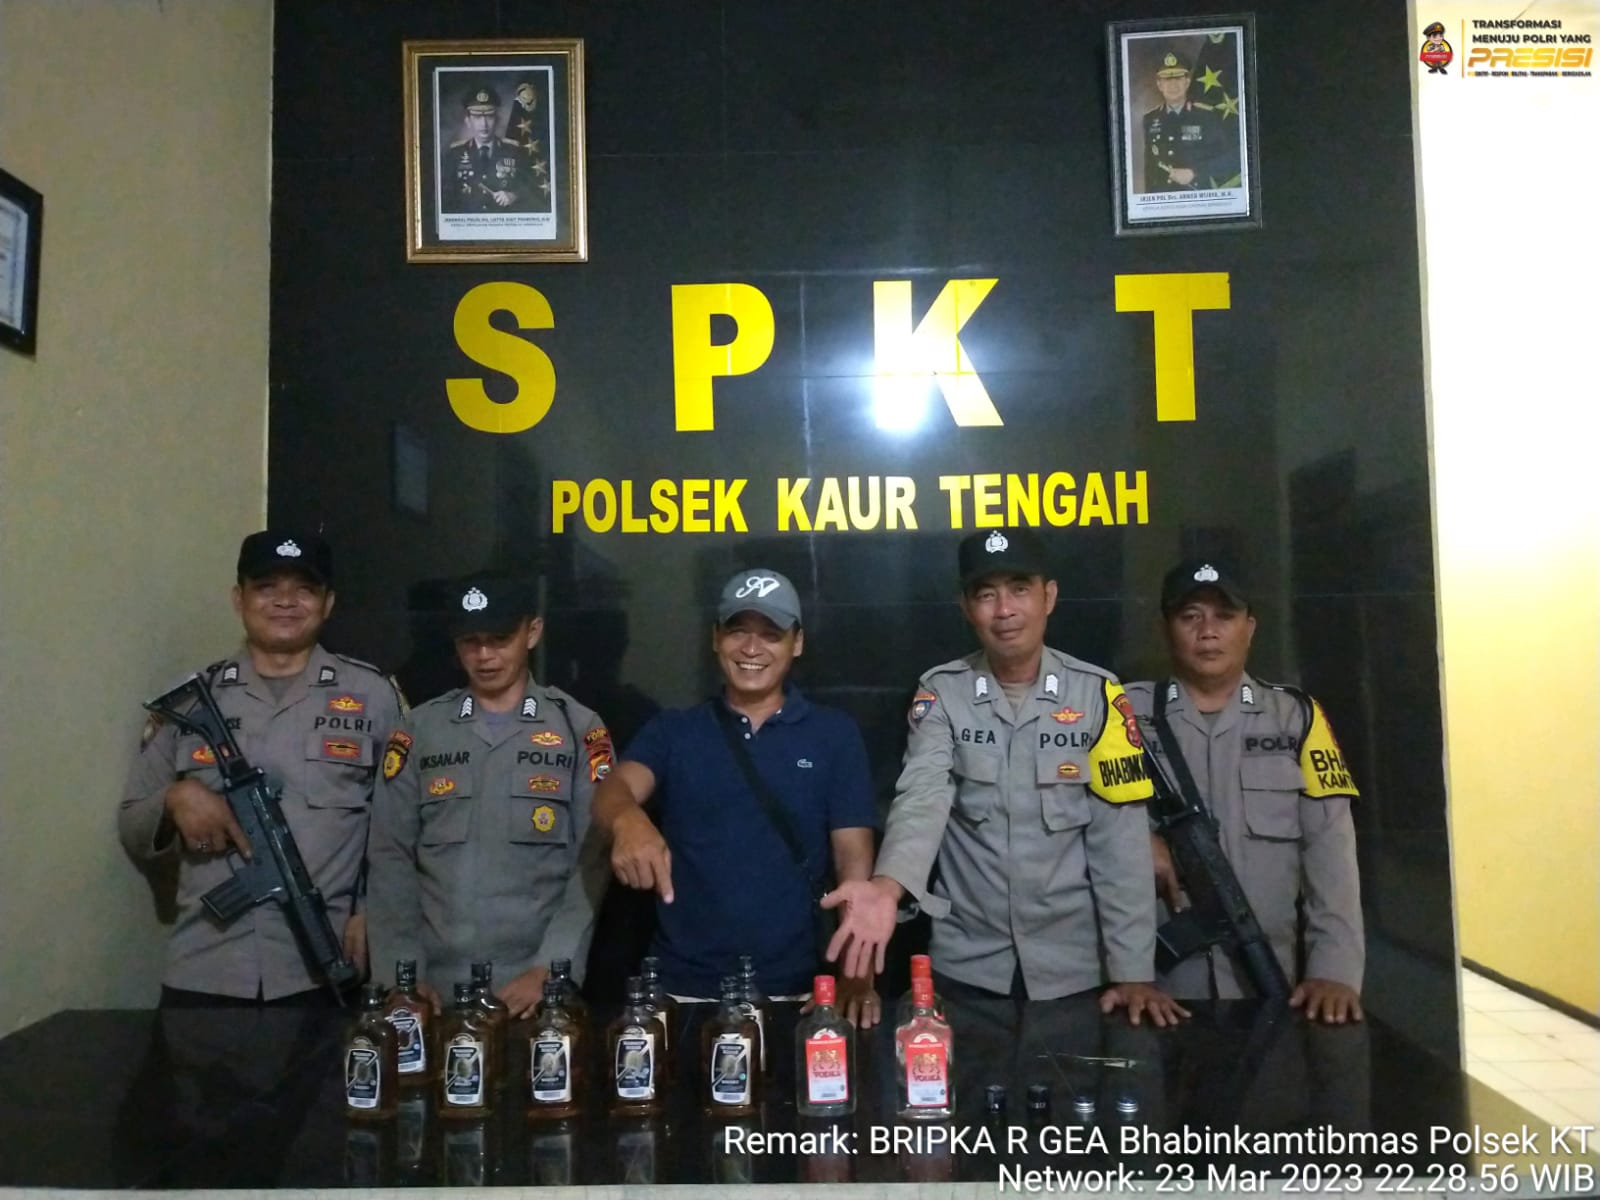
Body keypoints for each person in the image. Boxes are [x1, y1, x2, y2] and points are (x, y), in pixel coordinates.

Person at [824, 528, 1187, 1026]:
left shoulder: (1098, 695)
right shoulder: (942, 693)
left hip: (1077, 971)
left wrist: (1133, 970)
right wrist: (886, 890)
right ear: (965, 607)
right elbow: (921, 800)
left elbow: (1120, 842)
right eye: (986, 595)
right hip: (967, 967)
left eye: (1019, 590)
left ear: (1048, 597)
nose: (1004, 610)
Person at [119, 530, 405, 1005]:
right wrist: (174, 800)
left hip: (325, 968)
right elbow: (131, 821)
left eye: (304, 589)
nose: (285, 601)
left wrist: (375, 911)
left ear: (328, 603)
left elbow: (400, 825)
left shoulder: (373, 697)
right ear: (239, 599)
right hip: (206, 967)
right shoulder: (192, 702)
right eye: (267, 587)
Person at [593, 568, 881, 1022]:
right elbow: (614, 789)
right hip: (682, 992)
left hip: (796, 993)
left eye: (771, 634)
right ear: (715, 638)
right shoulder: (675, 731)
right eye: (738, 631)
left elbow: (853, 858)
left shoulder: (833, 735)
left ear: (797, 643)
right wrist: (627, 820)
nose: (751, 648)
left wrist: (855, 972)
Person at [1125, 559, 1364, 1023]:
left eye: (1225, 616)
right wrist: (1134, 839)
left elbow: (1331, 852)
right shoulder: (1122, 714)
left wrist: (1334, 972)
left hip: (1268, 981)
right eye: (1190, 616)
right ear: (1164, 629)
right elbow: (1077, 819)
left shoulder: (1296, 718)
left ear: (1250, 628)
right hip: (1157, 989)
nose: (1208, 632)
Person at [366, 575, 612, 1017]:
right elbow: (390, 857)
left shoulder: (578, 729)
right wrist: (401, 977)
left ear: (532, 632)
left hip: (537, 991)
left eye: (499, 639)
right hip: (434, 991)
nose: (484, 656)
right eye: (470, 641)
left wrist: (553, 968)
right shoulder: (419, 730)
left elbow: (591, 859)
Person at [1141, 50, 1233, 192]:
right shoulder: (1150, 119)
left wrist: (1194, 172)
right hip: (1163, 198)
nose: (1173, 85)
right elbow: (1150, 169)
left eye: (1178, 78)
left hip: (1196, 195)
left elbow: (1228, 159)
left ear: (1187, 82)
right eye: (1167, 80)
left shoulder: (1206, 116)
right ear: (1159, 85)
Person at [441, 85, 536, 214]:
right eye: (477, 117)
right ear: (468, 121)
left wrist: (514, 196)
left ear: (497, 120)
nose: (484, 124)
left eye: (489, 116)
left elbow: (530, 187)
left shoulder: (514, 151)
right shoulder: (454, 154)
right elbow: (445, 198)